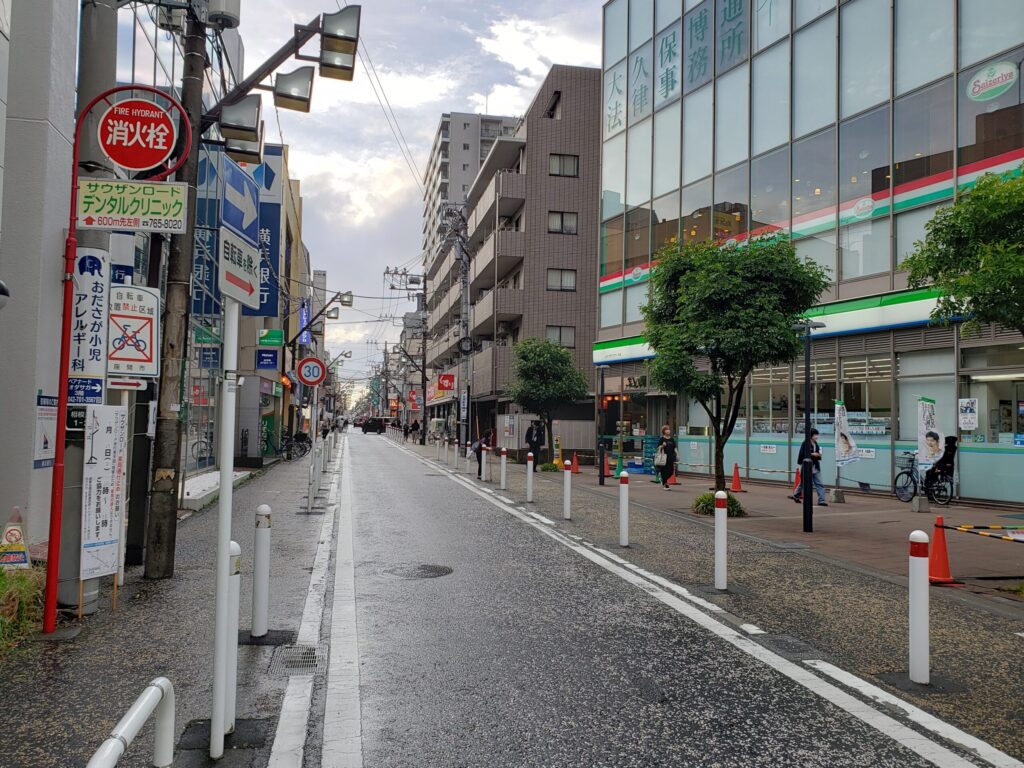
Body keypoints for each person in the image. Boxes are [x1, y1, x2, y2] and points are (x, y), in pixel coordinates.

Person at [792, 428, 828, 506]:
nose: (817, 436)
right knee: (804, 483)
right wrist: (812, 454)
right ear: (811, 435)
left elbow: (817, 454)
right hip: (807, 467)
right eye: (815, 435)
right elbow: (802, 454)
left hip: (815, 467)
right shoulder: (805, 443)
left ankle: (821, 500)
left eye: (817, 435)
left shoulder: (816, 444)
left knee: (819, 484)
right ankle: (796, 495)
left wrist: (818, 455)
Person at [654, 424, 678, 490]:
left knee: (671, 471)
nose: (668, 431)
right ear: (664, 431)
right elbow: (658, 448)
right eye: (667, 429)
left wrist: (677, 454)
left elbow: (675, 448)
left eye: (669, 429)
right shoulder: (662, 439)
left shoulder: (672, 439)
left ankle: (663, 479)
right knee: (664, 471)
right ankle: (665, 485)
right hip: (664, 458)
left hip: (671, 457)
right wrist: (662, 446)